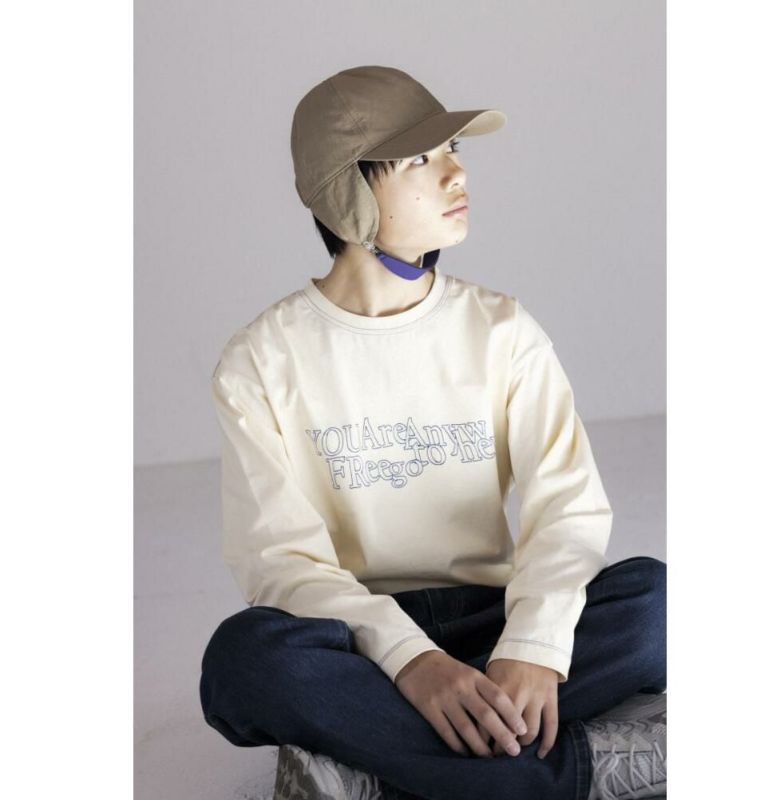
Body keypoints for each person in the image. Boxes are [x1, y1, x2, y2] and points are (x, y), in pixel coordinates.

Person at [199, 65, 666, 800]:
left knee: (659, 605)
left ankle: (369, 763)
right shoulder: (261, 360)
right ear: (349, 193)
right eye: (420, 158)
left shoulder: (503, 331)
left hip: (492, 617)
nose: (456, 173)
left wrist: (533, 647)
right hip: (355, 637)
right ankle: (573, 768)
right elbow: (281, 560)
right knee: (242, 663)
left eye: (452, 150)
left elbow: (568, 509)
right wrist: (411, 660)